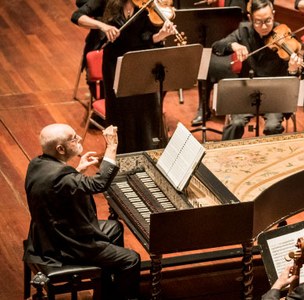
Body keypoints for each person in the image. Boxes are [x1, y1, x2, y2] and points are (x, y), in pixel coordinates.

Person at [23, 124, 140, 299]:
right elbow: (99, 184)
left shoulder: (37, 164)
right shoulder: (64, 179)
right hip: (67, 245)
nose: (79, 137)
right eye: (73, 138)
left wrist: (78, 170)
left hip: (46, 235)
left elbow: (57, 187)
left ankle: (107, 292)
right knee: (132, 259)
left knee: (115, 227)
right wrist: (112, 146)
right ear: (60, 149)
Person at [74, 0, 176, 153]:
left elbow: (146, 40)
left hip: (142, 62)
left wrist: (161, 35)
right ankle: (123, 156)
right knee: (120, 112)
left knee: (147, 111)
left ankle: (150, 154)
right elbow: (77, 16)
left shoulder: (148, 5)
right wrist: (103, 25)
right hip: (114, 64)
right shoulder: (107, 2)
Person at [211, 0, 302, 140]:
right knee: (236, 123)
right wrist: (233, 45)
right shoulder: (243, 31)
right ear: (250, 18)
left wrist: (292, 69)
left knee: (273, 126)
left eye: (268, 20)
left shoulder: (285, 35)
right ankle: (224, 153)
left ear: (274, 15)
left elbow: (293, 78)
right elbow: (217, 46)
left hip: (274, 95)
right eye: (258, 22)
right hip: (247, 92)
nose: (264, 26)